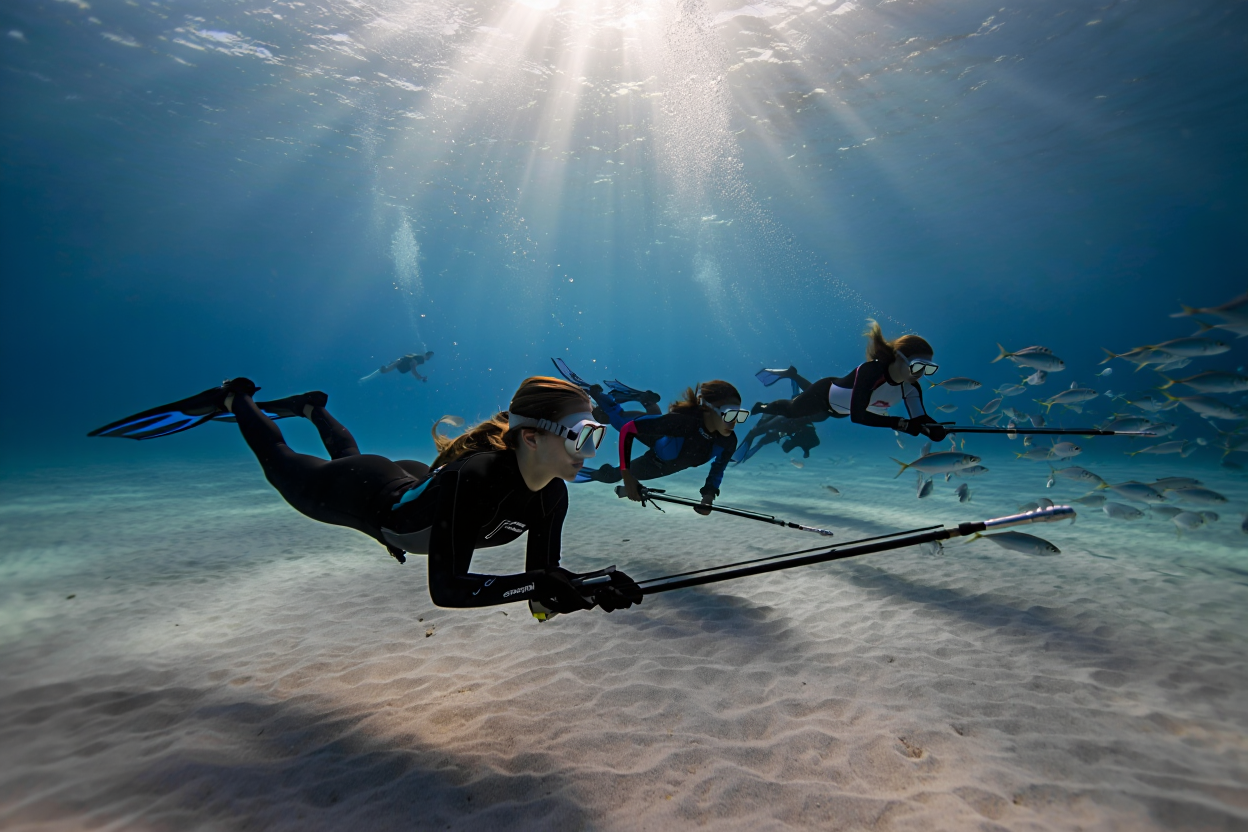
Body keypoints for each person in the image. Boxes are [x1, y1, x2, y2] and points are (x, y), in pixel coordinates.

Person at [88, 376, 642, 618]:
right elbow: (447, 591)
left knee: (348, 456)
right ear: (531, 436)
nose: (590, 451)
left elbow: (540, 601)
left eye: (596, 436)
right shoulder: (477, 478)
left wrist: (589, 590)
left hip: (404, 480)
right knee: (284, 468)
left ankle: (312, 407)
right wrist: (543, 583)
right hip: (369, 499)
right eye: (581, 436)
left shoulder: (550, 497)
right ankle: (236, 399)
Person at [574, 372, 747, 516]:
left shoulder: (728, 441)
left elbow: (718, 469)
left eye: (740, 415)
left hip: (663, 462)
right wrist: (627, 476)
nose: (734, 422)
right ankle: (595, 393)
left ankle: (645, 399)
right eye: (728, 414)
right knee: (616, 420)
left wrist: (708, 498)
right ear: (708, 408)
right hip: (658, 442)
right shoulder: (683, 423)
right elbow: (628, 430)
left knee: (614, 472)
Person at [751, 320, 947, 441]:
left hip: (838, 411)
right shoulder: (871, 371)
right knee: (792, 411)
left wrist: (933, 430)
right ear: (898, 357)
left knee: (815, 414)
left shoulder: (911, 387)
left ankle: (793, 376)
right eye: (918, 365)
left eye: (929, 368)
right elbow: (858, 416)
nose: (921, 373)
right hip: (824, 396)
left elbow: (920, 419)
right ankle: (763, 407)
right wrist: (901, 424)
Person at [360, 351, 435, 384]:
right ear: (428, 355)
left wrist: (418, 376)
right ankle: (364, 380)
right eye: (430, 356)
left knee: (386, 370)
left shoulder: (419, 357)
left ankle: (365, 379)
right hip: (401, 363)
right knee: (387, 369)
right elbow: (413, 366)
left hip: (400, 363)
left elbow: (411, 363)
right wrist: (417, 376)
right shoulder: (421, 359)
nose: (430, 358)